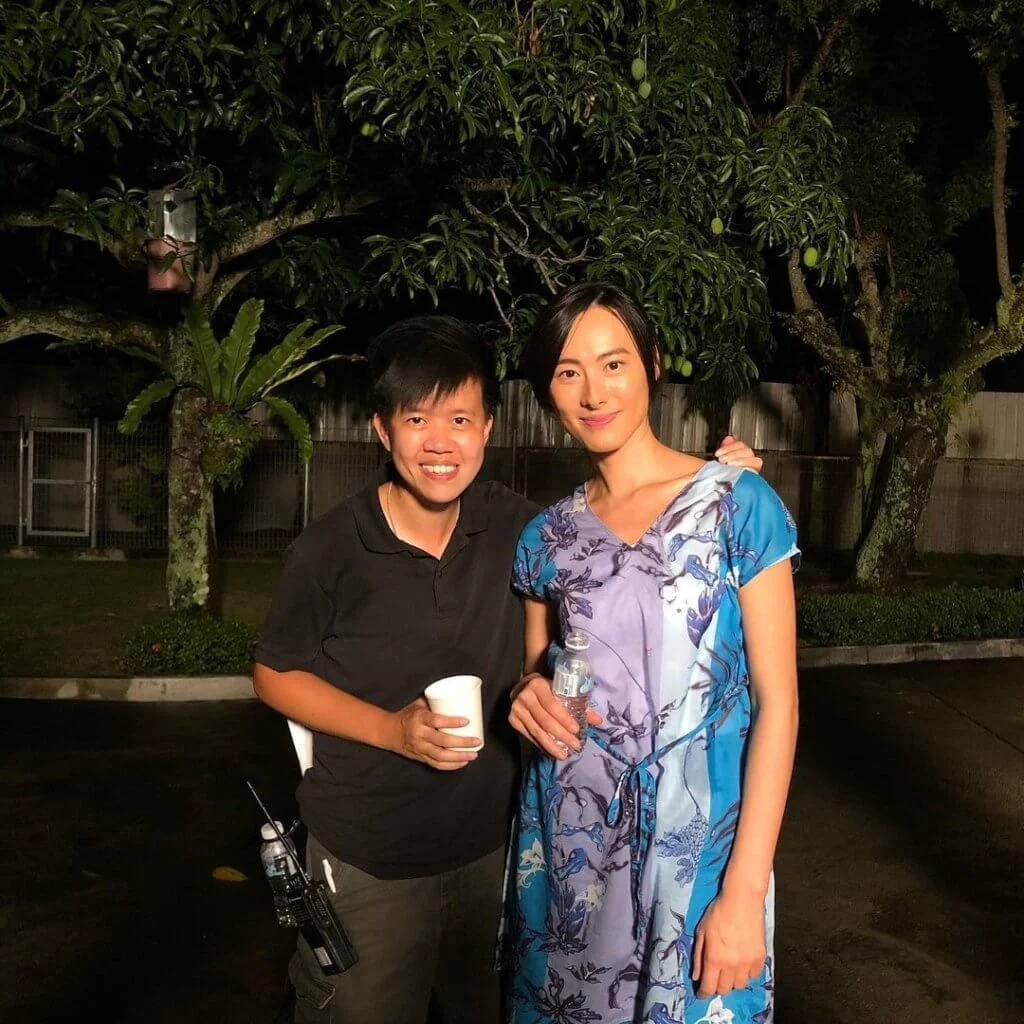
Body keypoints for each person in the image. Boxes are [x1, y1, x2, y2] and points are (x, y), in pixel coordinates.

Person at [252, 313, 764, 1024]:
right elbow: (274, 674)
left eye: (461, 419)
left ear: (488, 428)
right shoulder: (331, 548)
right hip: (369, 856)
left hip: (495, 853)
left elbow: (614, 536)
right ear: (382, 431)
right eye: (417, 420)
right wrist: (391, 730)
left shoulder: (521, 529)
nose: (440, 443)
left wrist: (713, 482)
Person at [503, 283, 799, 1024]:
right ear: (546, 390)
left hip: (699, 854)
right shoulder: (546, 538)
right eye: (568, 372)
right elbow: (539, 677)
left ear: (653, 364)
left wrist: (744, 892)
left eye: (614, 364)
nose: (593, 392)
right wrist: (524, 696)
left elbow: (779, 705)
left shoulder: (736, 504)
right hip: (571, 852)